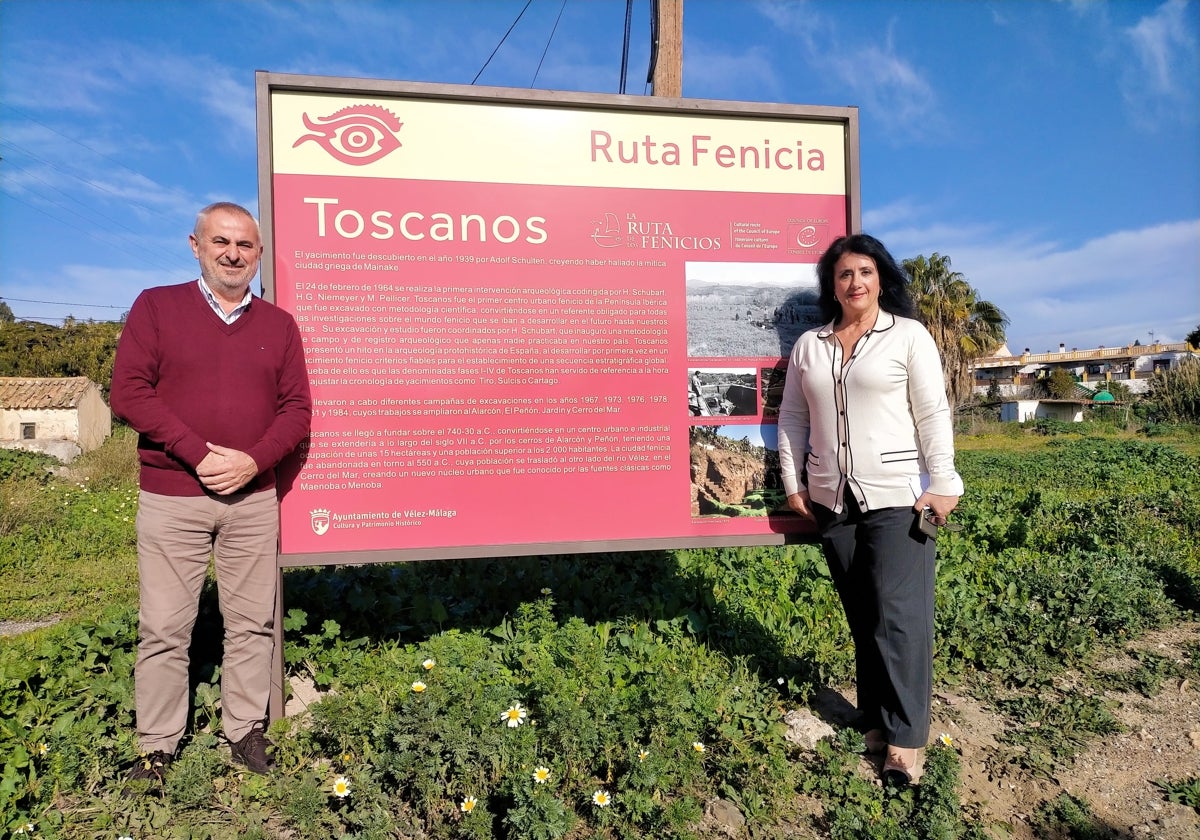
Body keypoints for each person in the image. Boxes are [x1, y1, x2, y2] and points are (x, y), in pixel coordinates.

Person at [110, 201, 311, 786]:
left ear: (259, 254)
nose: (232, 253)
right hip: (173, 495)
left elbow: (297, 409)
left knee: (252, 623)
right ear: (195, 245)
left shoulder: (279, 325)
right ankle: (157, 744)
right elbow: (129, 393)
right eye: (220, 241)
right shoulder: (157, 307)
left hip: (251, 498)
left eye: (245, 245)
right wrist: (199, 453)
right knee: (165, 626)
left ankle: (245, 727)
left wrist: (252, 461)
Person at [776, 233, 962, 785]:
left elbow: (931, 411)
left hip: (899, 497)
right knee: (864, 616)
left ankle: (905, 740)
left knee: (900, 618)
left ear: (881, 277)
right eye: (843, 274)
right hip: (833, 499)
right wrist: (794, 483)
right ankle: (876, 721)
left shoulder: (907, 336)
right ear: (830, 286)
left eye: (864, 271)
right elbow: (792, 418)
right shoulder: (811, 344)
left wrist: (945, 481)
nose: (854, 282)